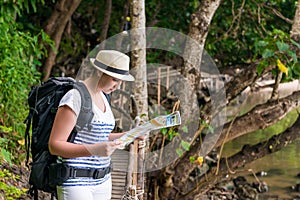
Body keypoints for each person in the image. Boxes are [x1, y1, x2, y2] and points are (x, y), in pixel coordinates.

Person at [48, 50, 135, 200]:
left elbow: (98, 135)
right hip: (75, 181)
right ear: (99, 72)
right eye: (114, 79)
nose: (117, 86)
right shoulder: (75, 97)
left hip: (103, 179)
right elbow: (55, 145)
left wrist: (130, 135)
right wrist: (94, 150)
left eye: (120, 81)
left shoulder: (103, 96)